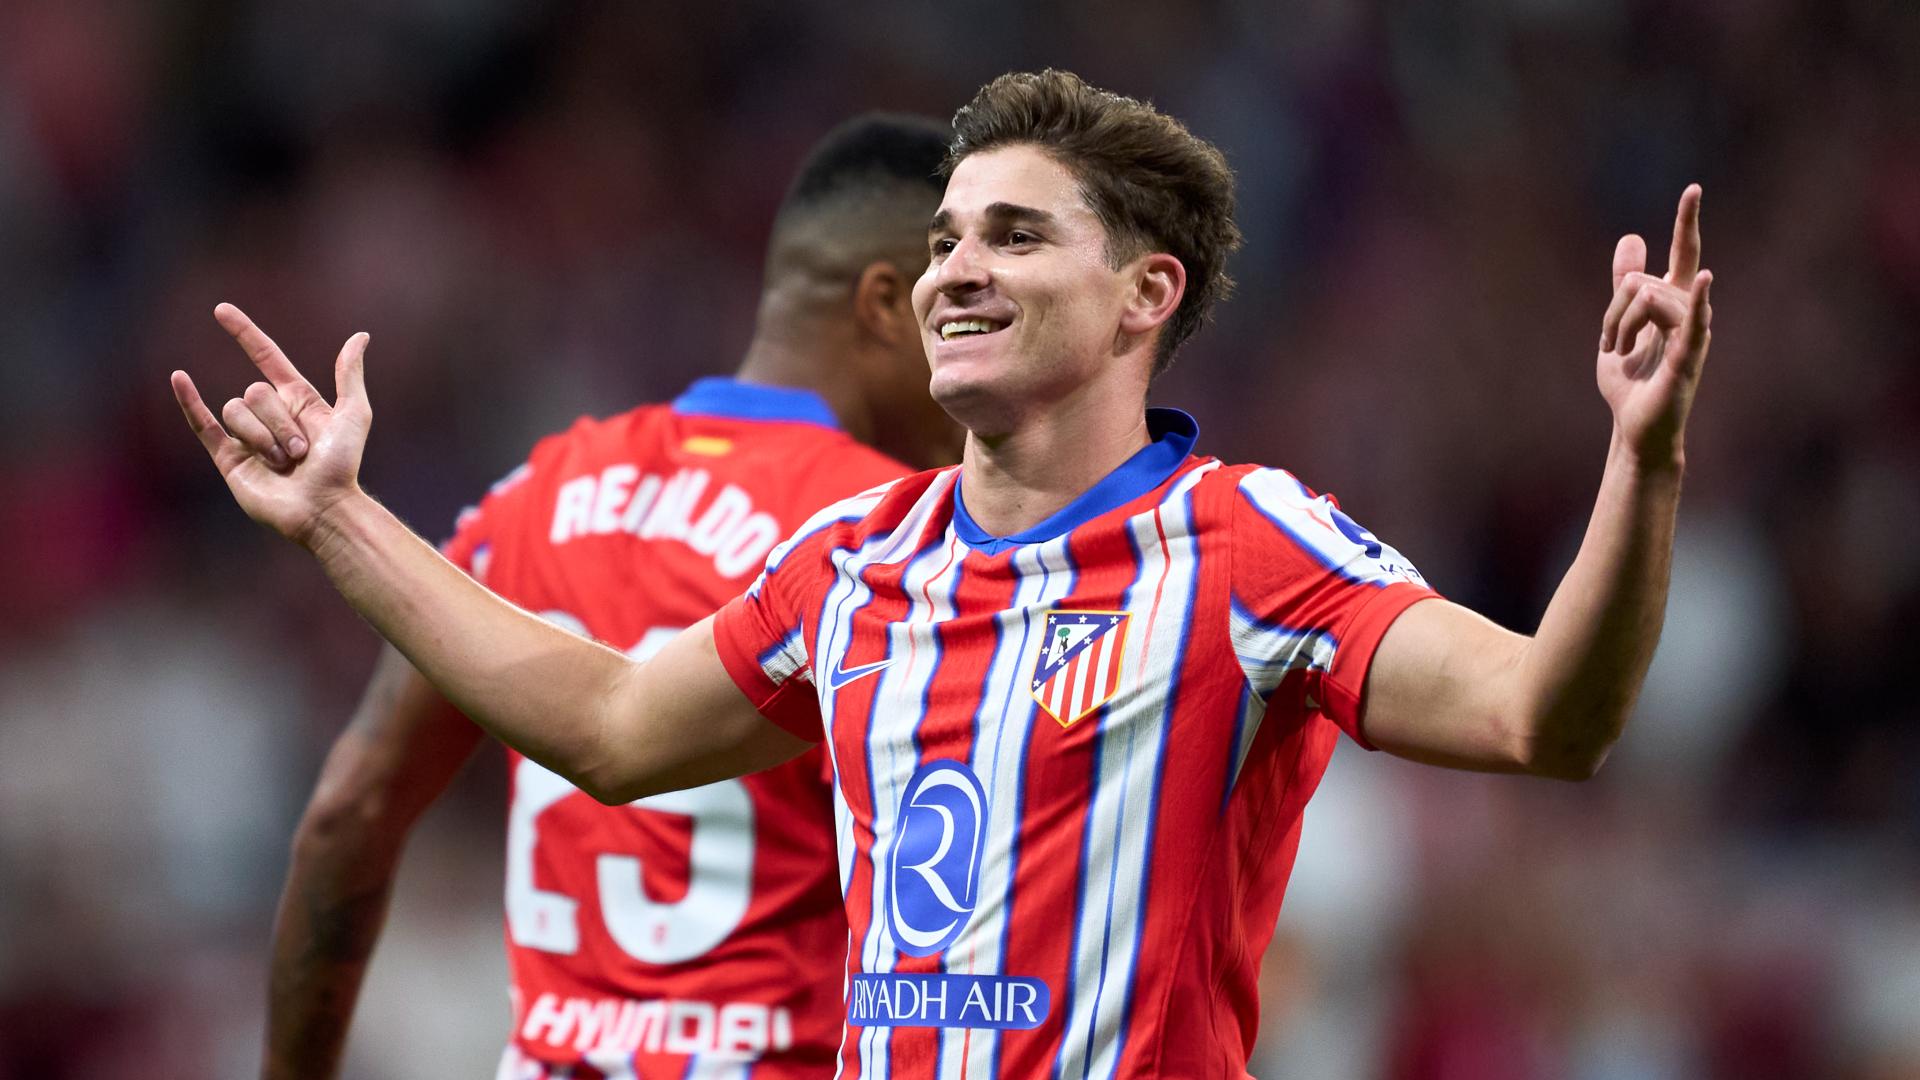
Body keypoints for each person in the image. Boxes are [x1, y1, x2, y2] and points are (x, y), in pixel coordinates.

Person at [175, 70, 1714, 1079]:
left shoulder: (1248, 548)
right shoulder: (857, 562)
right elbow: (611, 724)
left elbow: (1546, 718)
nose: (956, 270)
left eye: (1016, 237)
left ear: (1144, 295)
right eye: (946, 237)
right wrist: (338, 519)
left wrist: (1639, 464)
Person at [251, 114, 962, 1080]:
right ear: (882, 305)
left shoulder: (534, 495)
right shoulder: (894, 537)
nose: (971, 374)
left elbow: (349, 810)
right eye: (956, 318)